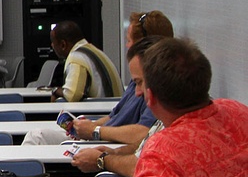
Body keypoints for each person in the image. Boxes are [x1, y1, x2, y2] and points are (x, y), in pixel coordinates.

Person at [97, 38, 248, 177]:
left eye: (140, 84)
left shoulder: (163, 149)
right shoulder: (239, 112)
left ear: (150, 97)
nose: (137, 91)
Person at [22, 10, 173, 146]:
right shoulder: (136, 81)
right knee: (37, 135)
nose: (127, 46)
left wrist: (96, 130)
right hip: (103, 135)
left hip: (109, 141)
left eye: (129, 41)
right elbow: (115, 116)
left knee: (36, 137)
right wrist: (88, 126)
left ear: (145, 45)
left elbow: (143, 133)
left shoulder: (157, 86)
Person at [71, 36, 166, 177]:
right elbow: (142, 147)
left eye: (140, 82)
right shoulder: (164, 119)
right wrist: (114, 153)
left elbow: (140, 166)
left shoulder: (180, 129)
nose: (138, 92)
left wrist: (102, 159)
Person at [48, 20, 123, 102]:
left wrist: (55, 91)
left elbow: (72, 95)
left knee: (60, 102)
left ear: (63, 45)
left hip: (103, 112)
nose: (52, 46)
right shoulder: (95, 51)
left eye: (53, 43)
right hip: (116, 108)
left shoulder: (76, 57)